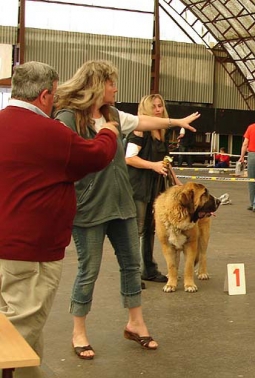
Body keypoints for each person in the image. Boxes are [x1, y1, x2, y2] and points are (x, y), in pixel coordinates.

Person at [53, 60, 199, 359]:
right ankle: (78, 331)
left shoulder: (113, 115)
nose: (115, 88)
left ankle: (136, 323)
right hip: (89, 208)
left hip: (122, 205)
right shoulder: (68, 119)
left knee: (132, 266)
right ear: (96, 85)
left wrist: (175, 122)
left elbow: (145, 121)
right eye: (111, 83)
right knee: (88, 271)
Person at [0, 61, 118, 378]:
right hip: (31, 251)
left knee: (19, 325)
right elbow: (97, 156)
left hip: (5, 244)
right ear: (44, 95)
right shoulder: (51, 133)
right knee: (18, 331)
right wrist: (108, 133)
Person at [126, 94, 181, 285]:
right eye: (154, 107)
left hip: (155, 187)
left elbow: (166, 160)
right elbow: (129, 158)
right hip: (138, 187)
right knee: (136, 230)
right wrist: (153, 166)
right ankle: (131, 275)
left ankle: (148, 270)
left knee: (150, 228)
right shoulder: (140, 131)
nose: (158, 109)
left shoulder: (162, 132)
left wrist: (175, 180)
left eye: (160, 106)